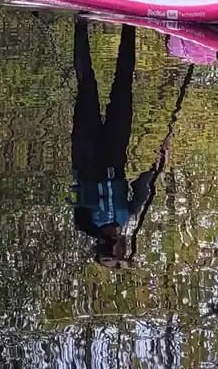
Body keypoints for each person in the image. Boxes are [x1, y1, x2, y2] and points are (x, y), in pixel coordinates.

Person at [69, 20, 172, 267]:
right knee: (124, 85)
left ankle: (80, 23)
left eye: (115, 254)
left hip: (87, 153)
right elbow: (143, 184)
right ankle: (129, 25)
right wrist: (158, 163)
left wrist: (108, 253)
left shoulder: (87, 223)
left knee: (87, 85)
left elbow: (77, 211)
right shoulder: (129, 213)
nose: (122, 250)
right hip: (116, 154)